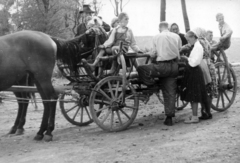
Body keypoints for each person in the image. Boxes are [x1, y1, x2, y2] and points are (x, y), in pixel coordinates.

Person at [137, 21, 181, 126]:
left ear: (159, 28)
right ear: (168, 28)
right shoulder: (176, 36)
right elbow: (179, 50)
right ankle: (169, 118)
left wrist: (148, 53)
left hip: (162, 67)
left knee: (141, 69)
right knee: (170, 91)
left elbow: (153, 54)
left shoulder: (157, 37)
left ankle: (153, 86)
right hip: (174, 66)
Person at [180, 30, 211, 124]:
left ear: (193, 37)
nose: (188, 41)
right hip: (194, 71)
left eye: (188, 39)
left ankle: (194, 117)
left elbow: (195, 62)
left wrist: (186, 59)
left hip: (195, 71)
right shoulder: (196, 46)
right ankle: (195, 115)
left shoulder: (198, 47)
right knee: (194, 94)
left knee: (194, 94)